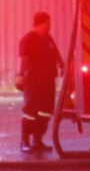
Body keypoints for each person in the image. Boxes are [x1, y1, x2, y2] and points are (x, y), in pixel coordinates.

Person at [18, 11, 64, 152]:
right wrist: (20, 75)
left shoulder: (48, 39)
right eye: (47, 23)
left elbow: (55, 53)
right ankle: (25, 141)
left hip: (47, 82)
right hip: (34, 82)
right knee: (31, 112)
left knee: (45, 112)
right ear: (39, 24)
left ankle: (37, 140)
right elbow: (24, 59)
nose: (50, 26)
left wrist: (62, 65)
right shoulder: (28, 40)